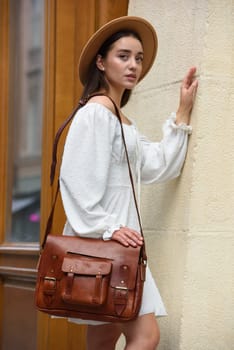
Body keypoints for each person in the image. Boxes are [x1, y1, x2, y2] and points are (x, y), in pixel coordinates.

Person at [59, 16, 198, 350]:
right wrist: (109, 228)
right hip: (110, 243)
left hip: (120, 245)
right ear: (101, 62)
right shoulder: (95, 113)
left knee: (104, 336)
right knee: (145, 336)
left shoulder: (120, 118)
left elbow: (157, 166)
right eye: (123, 56)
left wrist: (182, 111)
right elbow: (75, 183)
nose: (134, 65)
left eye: (138, 58)